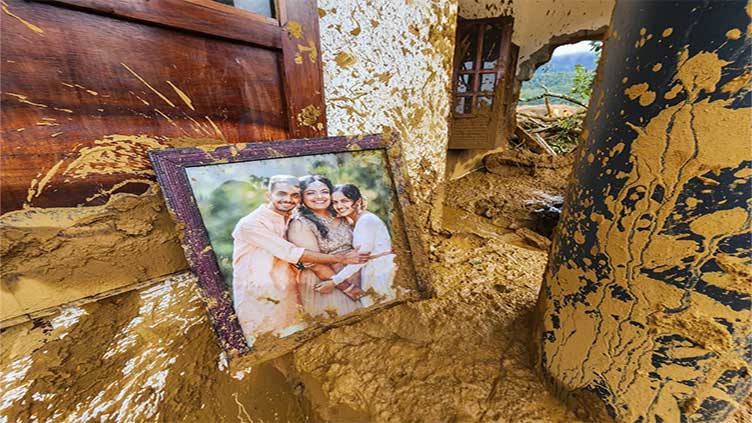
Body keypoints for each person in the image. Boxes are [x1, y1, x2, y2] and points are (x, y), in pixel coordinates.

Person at [231, 175, 369, 344]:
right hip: (261, 298)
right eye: (281, 194)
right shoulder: (251, 224)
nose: (288, 199)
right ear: (268, 196)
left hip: (290, 295)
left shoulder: (288, 217)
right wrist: (343, 264)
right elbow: (293, 253)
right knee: (271, 349)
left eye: (294, 195)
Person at [287, 175, 365, 317]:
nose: (319, 197)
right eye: (311, 193)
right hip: (326, 282)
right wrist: (347, 288)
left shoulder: (340, 213)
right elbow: (314, 263)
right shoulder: (300, 224)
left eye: (324, 191)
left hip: (354, 276)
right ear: (301, 198)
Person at [327, 184, 397, 307]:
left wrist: (334, 281)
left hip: (382, 270)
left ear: (357, 201)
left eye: (344, 201)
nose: (339, 206)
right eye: (335, 202)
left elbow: (361, 258)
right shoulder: (357, 220)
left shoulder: (366, 221)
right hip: (373, 269)